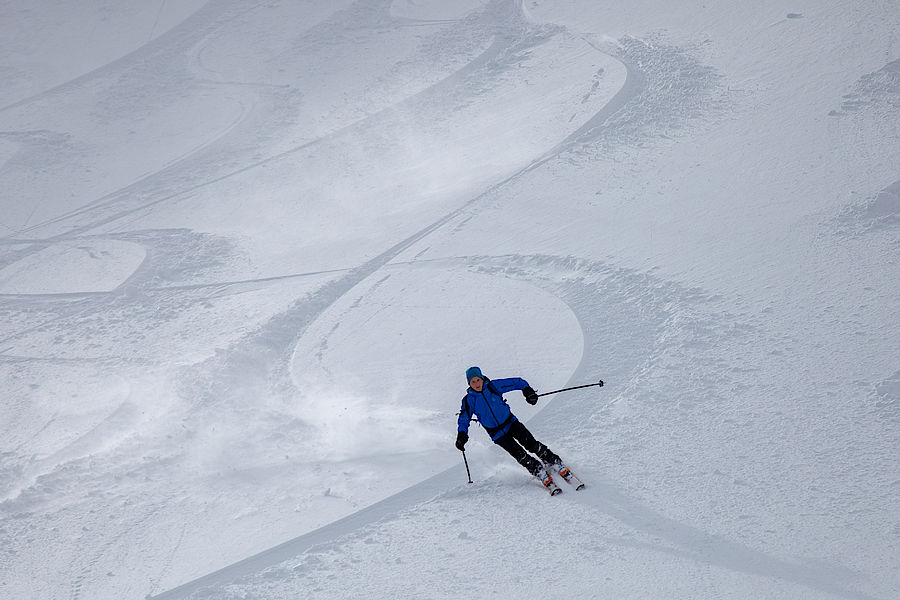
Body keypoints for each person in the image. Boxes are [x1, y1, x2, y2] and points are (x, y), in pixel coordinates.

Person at [455, 366, 571, 490]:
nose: (476, 383)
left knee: (532, 444)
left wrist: (527, 391)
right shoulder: (469, 401)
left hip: (511, 423)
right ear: (469, 384)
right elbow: (464, 419)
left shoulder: (493, 386)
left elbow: (517, 382)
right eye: (473, 382)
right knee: (519, 455)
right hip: (497, 434)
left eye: (478, 380)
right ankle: (538, 471)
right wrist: (462, 434)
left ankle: (553, 461)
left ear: (482, 378)